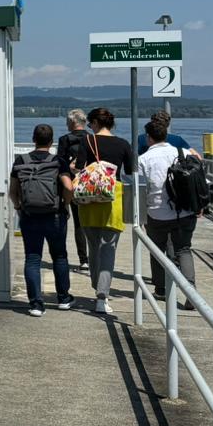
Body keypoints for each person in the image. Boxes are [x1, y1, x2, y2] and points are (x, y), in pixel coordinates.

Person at [9, 123, 75, 316]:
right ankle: (63, 298)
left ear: (33, 139)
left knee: (32, 258)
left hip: (29, 216)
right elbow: (69, 187)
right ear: (52, 141)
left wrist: (18, 206)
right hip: (55, 215)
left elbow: (13, 191)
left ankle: (36, 305)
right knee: (60, 256)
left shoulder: (21, 160)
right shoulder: (58, 161)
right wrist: (65, 204)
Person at [77, 107, 136, 315]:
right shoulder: (123, 144)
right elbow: (129, 172)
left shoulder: (87, 141)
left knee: (93, 247)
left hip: (89, 198)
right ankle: (102, 296)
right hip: (113, 198)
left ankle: (97, 287)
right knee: (108, 248)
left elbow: (78, 167)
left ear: (93, 123)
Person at [139, 117, 201, 308]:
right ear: (166, 134)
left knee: (157, 250)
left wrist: (141, 215)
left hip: (157, 212)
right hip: (184, 211)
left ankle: (161, 289)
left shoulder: (143, 159)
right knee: (183, 249)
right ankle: (191, 294)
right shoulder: (182, 152)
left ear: (149, 137)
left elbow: (140, 190)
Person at [57, 108, 93, 269]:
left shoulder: (65, 139)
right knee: (91, 222)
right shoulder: (92, 139)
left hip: (71, 184)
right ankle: (94, 256)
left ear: (72, 122)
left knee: (77, 223)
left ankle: (83, 259)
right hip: (90, 184)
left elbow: (60, 163)